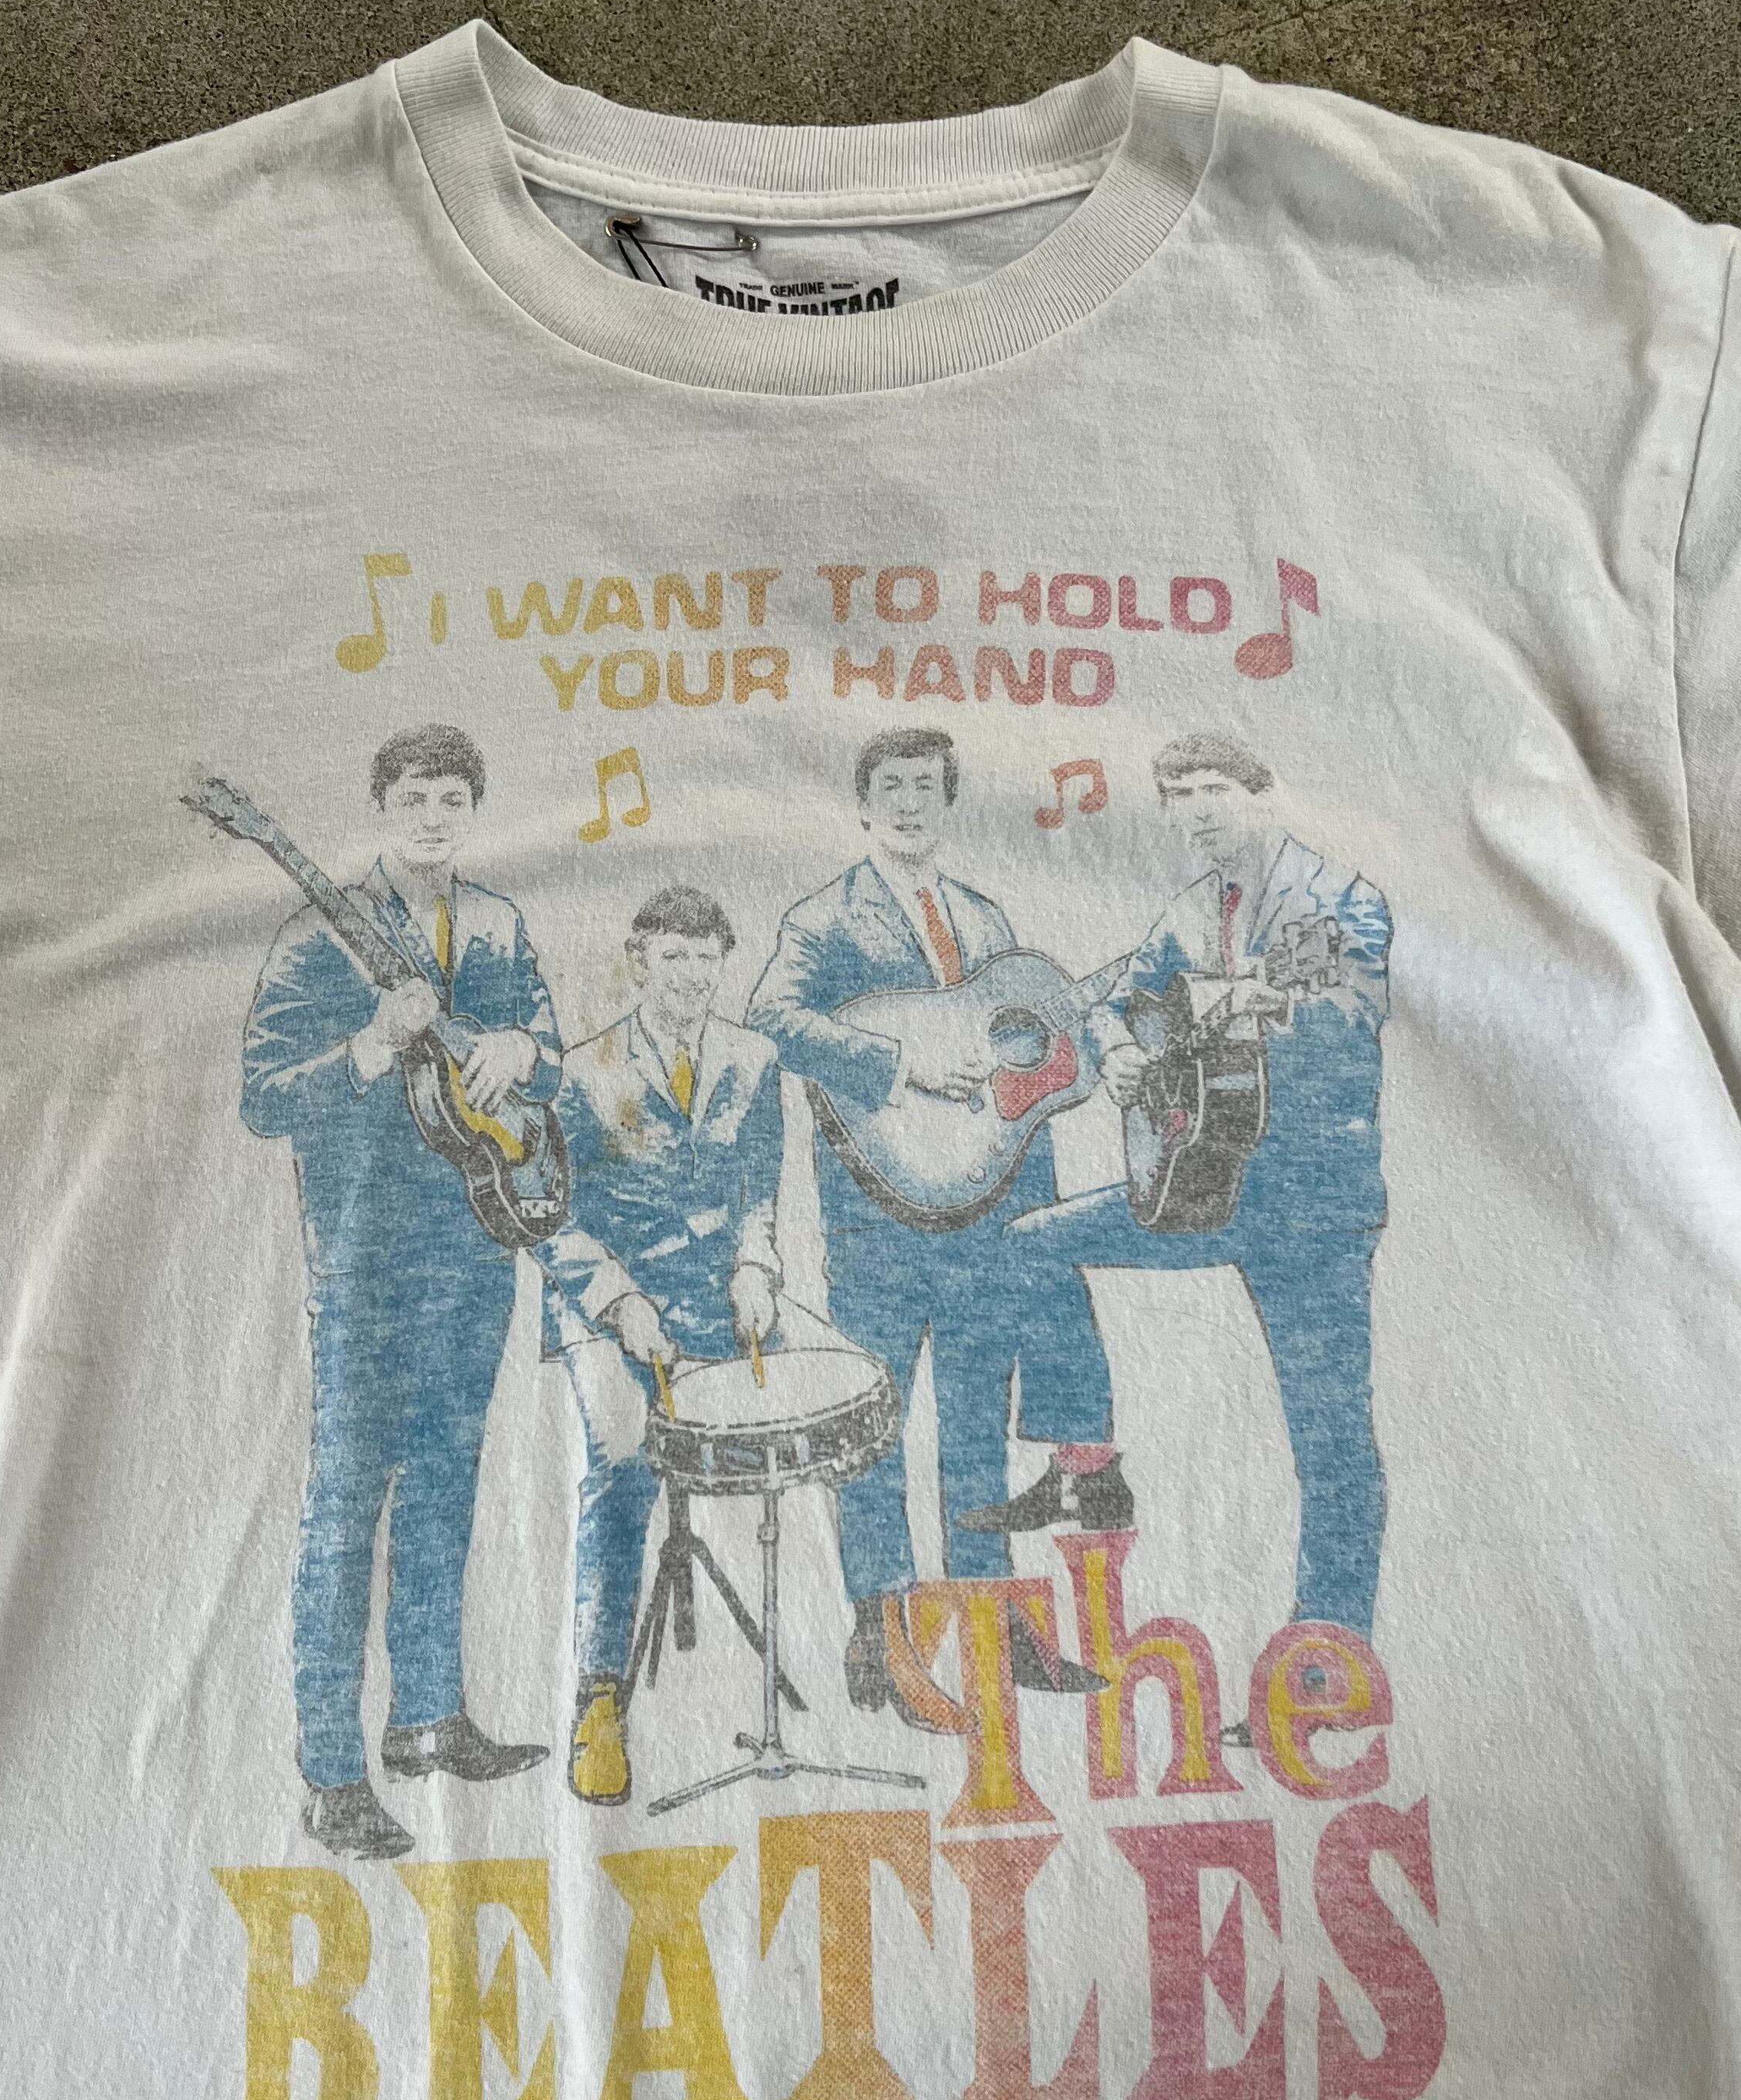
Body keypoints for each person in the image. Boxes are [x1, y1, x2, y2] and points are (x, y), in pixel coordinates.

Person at [747, 725, 1119, 1720]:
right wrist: (901, 1064)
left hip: (985, 1214)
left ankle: (994, 1620)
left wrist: (1066, 1073)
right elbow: (773, 1019)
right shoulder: (827, 917)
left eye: (926, 786)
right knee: (876, 1421)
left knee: (975, 1417)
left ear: (948, 802)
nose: (909, 803)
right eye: (891, 786)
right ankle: (882, 1634)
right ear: (864, 805)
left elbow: (1024, 1076)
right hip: (875, 1214)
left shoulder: (987, 920)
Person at [241, 723, 562, 1860]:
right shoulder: (317, 935)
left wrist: (524, 1053)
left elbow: (554, 1057)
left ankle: (428, 1719)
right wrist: (372, 1047)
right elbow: (263, 1097)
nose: (434, 817)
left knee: (444, 1492)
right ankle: (332, 1775)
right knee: (343, 1512)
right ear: (382, 809)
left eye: (452, 800)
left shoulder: (499, 924)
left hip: (477, 1244)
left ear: (473, 812)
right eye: (415, 798)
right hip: (365, 1260)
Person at [1008, 729, 1392, 1639]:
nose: (1198, 812)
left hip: (1309, 1207)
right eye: (1180, 798)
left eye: (1214, 788)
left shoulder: (1342, 899)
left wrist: (1269, 999)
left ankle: (1329, 1650)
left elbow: (1358, 1009)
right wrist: (1123, 1049)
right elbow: (1114, 1001)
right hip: (1198, 1185)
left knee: (1329, 1439)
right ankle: (1089, 1465)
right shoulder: (1189, 912)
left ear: (1261, 792)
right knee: (1028, 1245)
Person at [539, 886, 785, 1807]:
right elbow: (551, 1219)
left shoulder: (756, 1060)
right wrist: (618, 1299)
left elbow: (761, 1189)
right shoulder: (581, 1072)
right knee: (619, 1454)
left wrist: (756, 1266)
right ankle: (599, 1700)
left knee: (803, 1410)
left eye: (706, 959)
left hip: (715, 1293)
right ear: (639, 963)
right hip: (608, 1298)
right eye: (673, 958)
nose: (691, 976)